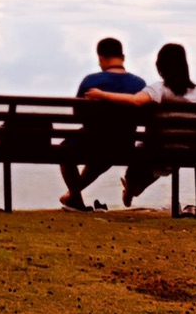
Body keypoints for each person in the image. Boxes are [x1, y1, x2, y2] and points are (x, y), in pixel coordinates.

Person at [81, 42, 196, 206]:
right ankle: (132, 190)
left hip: (159, 150)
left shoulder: (159, 89)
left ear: (160, 66)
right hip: (189, 151)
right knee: (152, 162)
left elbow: (135, 100)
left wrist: (102, 95)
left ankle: (131, 189)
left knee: (138, 160)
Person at [57, 38, 147, 211]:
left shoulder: (91, 82)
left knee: (65, 150)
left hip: (93, 141)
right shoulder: (139, 84)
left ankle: (75, 197)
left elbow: (77, 115)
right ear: (123, 57)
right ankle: (73, 196)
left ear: (101, 58)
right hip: (123, 145)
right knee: (103, 158)